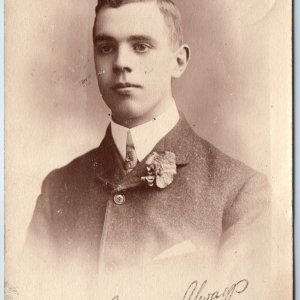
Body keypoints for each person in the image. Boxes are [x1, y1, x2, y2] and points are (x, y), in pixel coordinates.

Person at [24, 0, 271, 298]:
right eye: (106, 47)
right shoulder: (57, 189)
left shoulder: (239, 191)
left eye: (140, 46)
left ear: (178, 61)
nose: (120, 63)